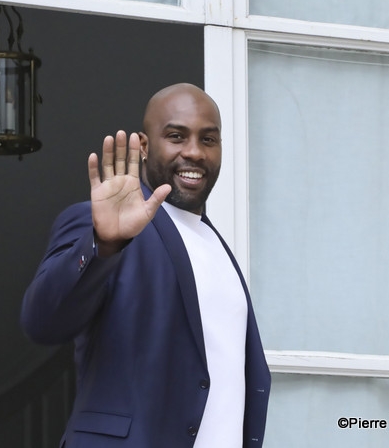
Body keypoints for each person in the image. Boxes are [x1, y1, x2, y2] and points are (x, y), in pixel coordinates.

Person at [21, 83, 271, 448]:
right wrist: (105, 243)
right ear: (143, 145)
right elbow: (42, 323)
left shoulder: (217, 245)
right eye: (176, 136)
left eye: (208, 140)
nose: (194, 152)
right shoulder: (106, 227)